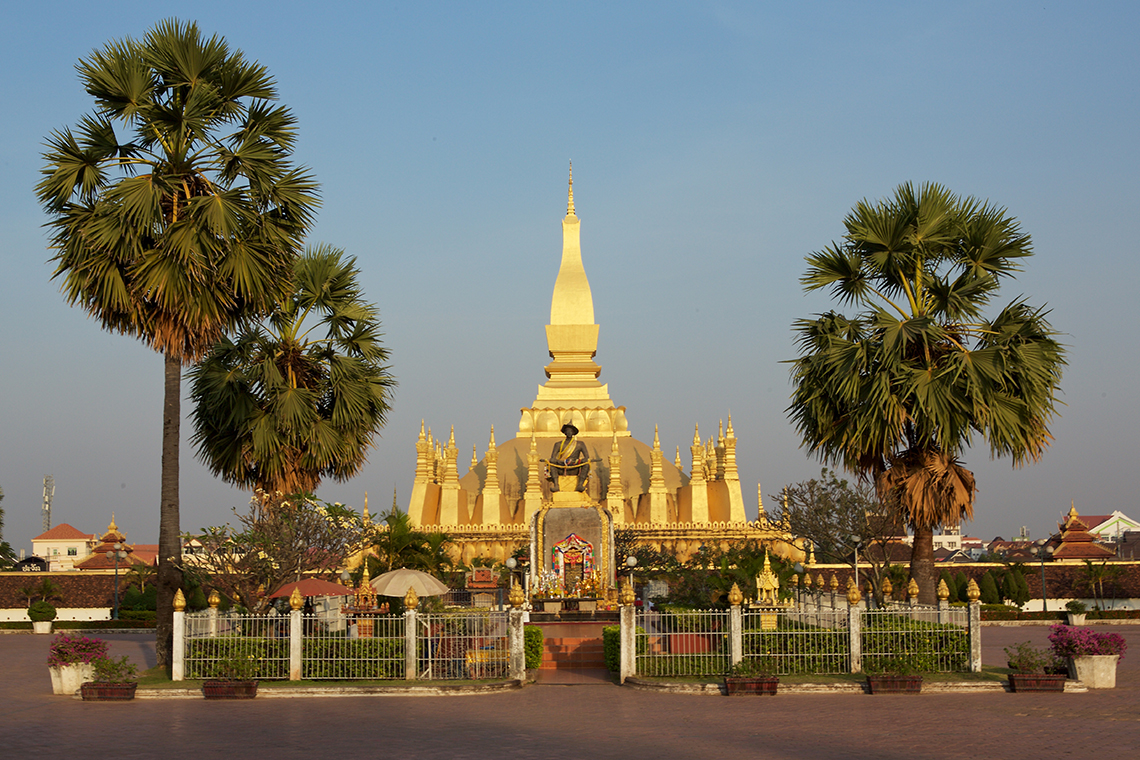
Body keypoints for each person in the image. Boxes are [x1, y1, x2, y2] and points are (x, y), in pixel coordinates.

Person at [545, 422, 590, 492]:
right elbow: (553, 458)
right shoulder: (558, 444)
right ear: (565, 432)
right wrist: (559, 461)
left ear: (573, 433)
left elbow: (587, 457)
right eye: (567, 430)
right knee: (551, 462)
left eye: (571, 431)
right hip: (562, 468)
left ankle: (580, 485)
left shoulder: (579, 444)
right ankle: (556, 485)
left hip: (575, 468)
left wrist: (580, 461)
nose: (569, 432)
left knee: (586, 463)